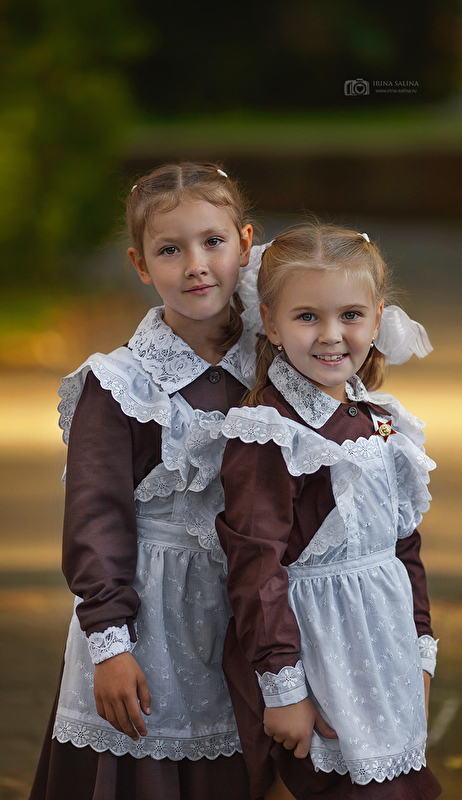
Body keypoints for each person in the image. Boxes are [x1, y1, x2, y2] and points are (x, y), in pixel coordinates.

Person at [29, 162, 267, 800]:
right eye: (170, 250)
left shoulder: (278, 365)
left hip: (251, 622)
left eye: (213, 242)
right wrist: (110, 645)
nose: (196, 265)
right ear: (140, 264)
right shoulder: (121, 386)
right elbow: (96, 519)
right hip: (151, 626)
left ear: (245, 243)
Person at [209, 223, 442, 800]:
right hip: (318, 656)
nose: (332, 335)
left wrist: (420, 654)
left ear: (377, 317)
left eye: (351, 315)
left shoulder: (382, 420)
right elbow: (255, 567)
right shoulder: (270, 435)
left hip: (386, 654)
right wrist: (284, 688)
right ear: (271, 322)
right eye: (308, 317)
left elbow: (402, 548)